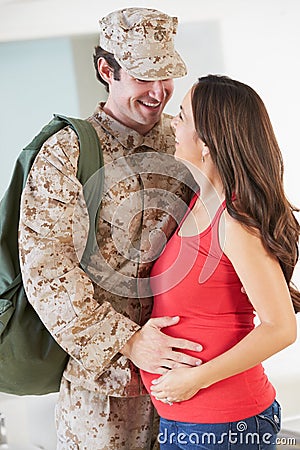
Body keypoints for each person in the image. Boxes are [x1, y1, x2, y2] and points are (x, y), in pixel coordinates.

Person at [18, 7, 203, 450]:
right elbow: (47, 271)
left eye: (166, 75)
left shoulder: (184, 141)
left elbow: (222, 229)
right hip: (102, 393)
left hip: (190, 376)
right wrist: (129, 341)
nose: (159, 91)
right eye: (143, 75)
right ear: (107, 69)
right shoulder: (67, 153)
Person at [141, 74, 300, 449]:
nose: (172, 126)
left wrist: (194, 380)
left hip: (223, 425)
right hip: (187, 422)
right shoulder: (197, 202)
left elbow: (281, 328)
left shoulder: (233, 222)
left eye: (181, 117)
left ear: (207, 143)